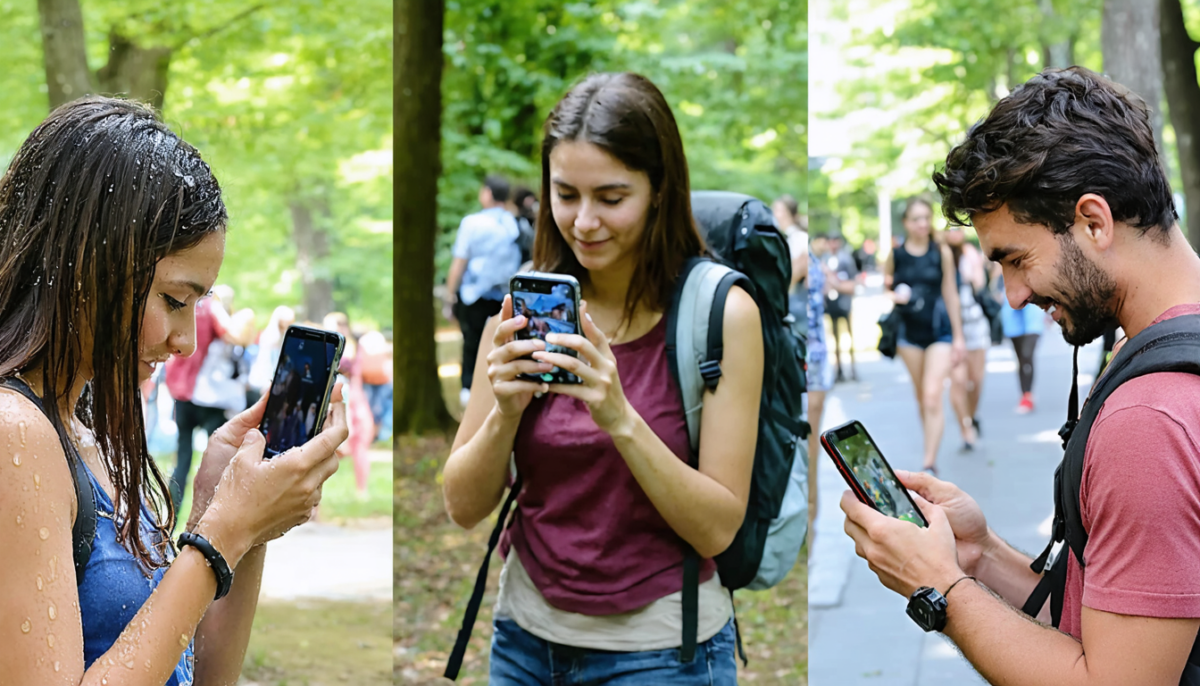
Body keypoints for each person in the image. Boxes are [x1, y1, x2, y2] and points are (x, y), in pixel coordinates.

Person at [843, 66, 1200, 684]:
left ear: (1094, 221)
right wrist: (982, 557)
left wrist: (940, 589)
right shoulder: (1155, 349)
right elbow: (1118, 618)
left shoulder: (1149, 418)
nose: (1010, 295)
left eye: (1016, 258)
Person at [0, 96, 347, 685]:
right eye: (174, 301)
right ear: (91, 263)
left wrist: (232, 510)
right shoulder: (15, 434)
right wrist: (219, 535)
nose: (186, 340)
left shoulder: (84, 425)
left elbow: (199, 676)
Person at [443, 72, 763, 684]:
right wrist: (505, 412)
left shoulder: (720, 314)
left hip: (664, 652)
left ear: (661, 190)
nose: (584, 221)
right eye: (565, 194)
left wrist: (619, 416)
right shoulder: (522, 311)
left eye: (612, 198)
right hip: (524, 641)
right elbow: (462, 506)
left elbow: (719, 527)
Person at [885, 198, 966, 474]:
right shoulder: (895, 254)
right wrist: (894, 295)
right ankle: (929, 447)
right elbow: (886, 286)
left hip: (939, 331)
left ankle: (928, 461)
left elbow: (950, 294)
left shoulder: (939, 252)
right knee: (921, 396)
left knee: (932, 395)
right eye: (916, 218)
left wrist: (958, 337)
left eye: (925, 218)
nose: (922, 223)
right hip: (908, 334)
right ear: (906, 223)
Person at [164, 285, 254, 510]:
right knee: (213, 462)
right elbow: (236, 335)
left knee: (182, 461)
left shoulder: (187, 307)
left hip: (181, 392)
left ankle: (168, 524)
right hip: (207, 399)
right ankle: (204, 524)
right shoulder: (213, 311)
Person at [443, 175, 523, 409]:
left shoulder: (472, 223)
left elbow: (459, 261)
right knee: (502, 342)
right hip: (506, 297)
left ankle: (468, 390)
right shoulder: (515, 223)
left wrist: (450, 295)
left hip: (474, 295)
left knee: (471, 343)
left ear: (487, 193)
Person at [944, 226, 990, 449]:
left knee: (976, 380)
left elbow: (981, 283)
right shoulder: (941, 255)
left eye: (957, 229)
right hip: (950, 327)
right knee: (958, 381)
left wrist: (975, 271)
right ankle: (966, 429)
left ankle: (971, 416)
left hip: (974, 323)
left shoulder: (969, 253)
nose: (954, 233)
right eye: (949, 229)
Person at [1001, 291, 1044, 414]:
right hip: (1013, 322)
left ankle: (1028, 395)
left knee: (1027, 355)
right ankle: (1025, 394)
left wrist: (1053, 312)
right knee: (1021, 360)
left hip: (1033, 321)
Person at [825, 233, 859, 382]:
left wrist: (838, 285)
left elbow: (853, 281)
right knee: (835, 337)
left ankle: (852, 369)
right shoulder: (825, 259)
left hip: (844, 301)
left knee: (850, 336)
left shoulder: (846, 259)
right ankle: (838, 371)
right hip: (831, 303)